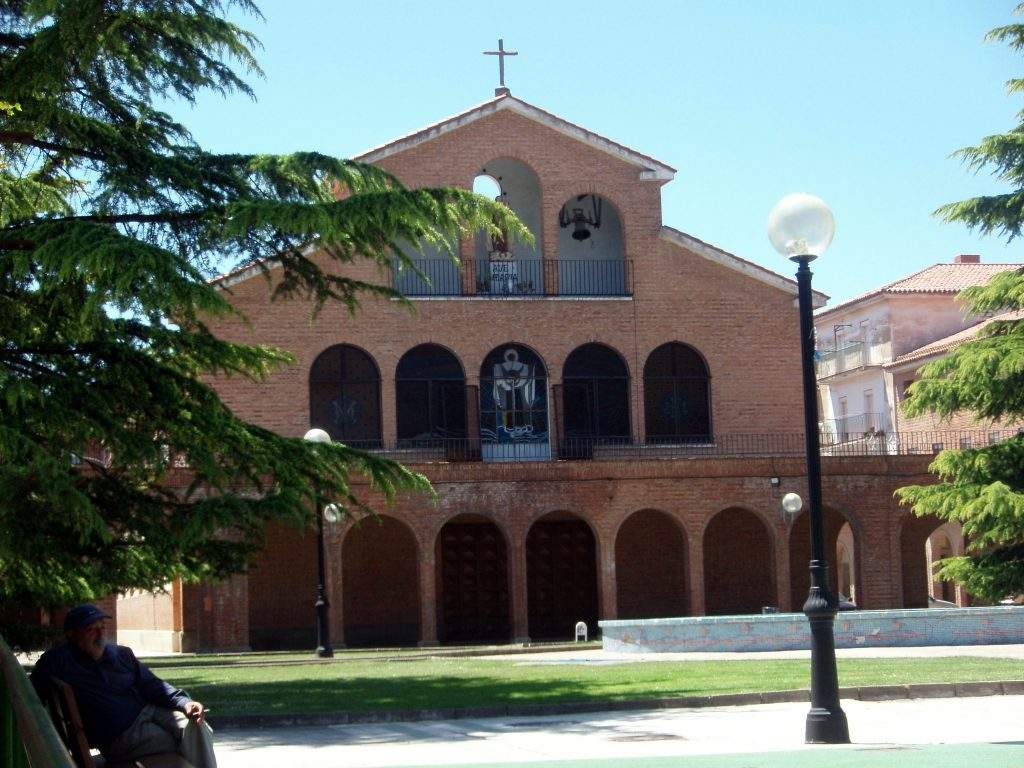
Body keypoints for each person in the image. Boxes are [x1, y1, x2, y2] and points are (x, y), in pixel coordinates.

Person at [30, 604, 217, 767]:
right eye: (91, 629)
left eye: (102, 627)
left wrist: (184, 702)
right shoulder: (58, 661)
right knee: (192, 741)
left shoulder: (120, 654)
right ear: (71, 635)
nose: (100, 634)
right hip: (122, 736)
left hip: (148, 711)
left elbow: (153, 685)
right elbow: (32, 692)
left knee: (196, 727)